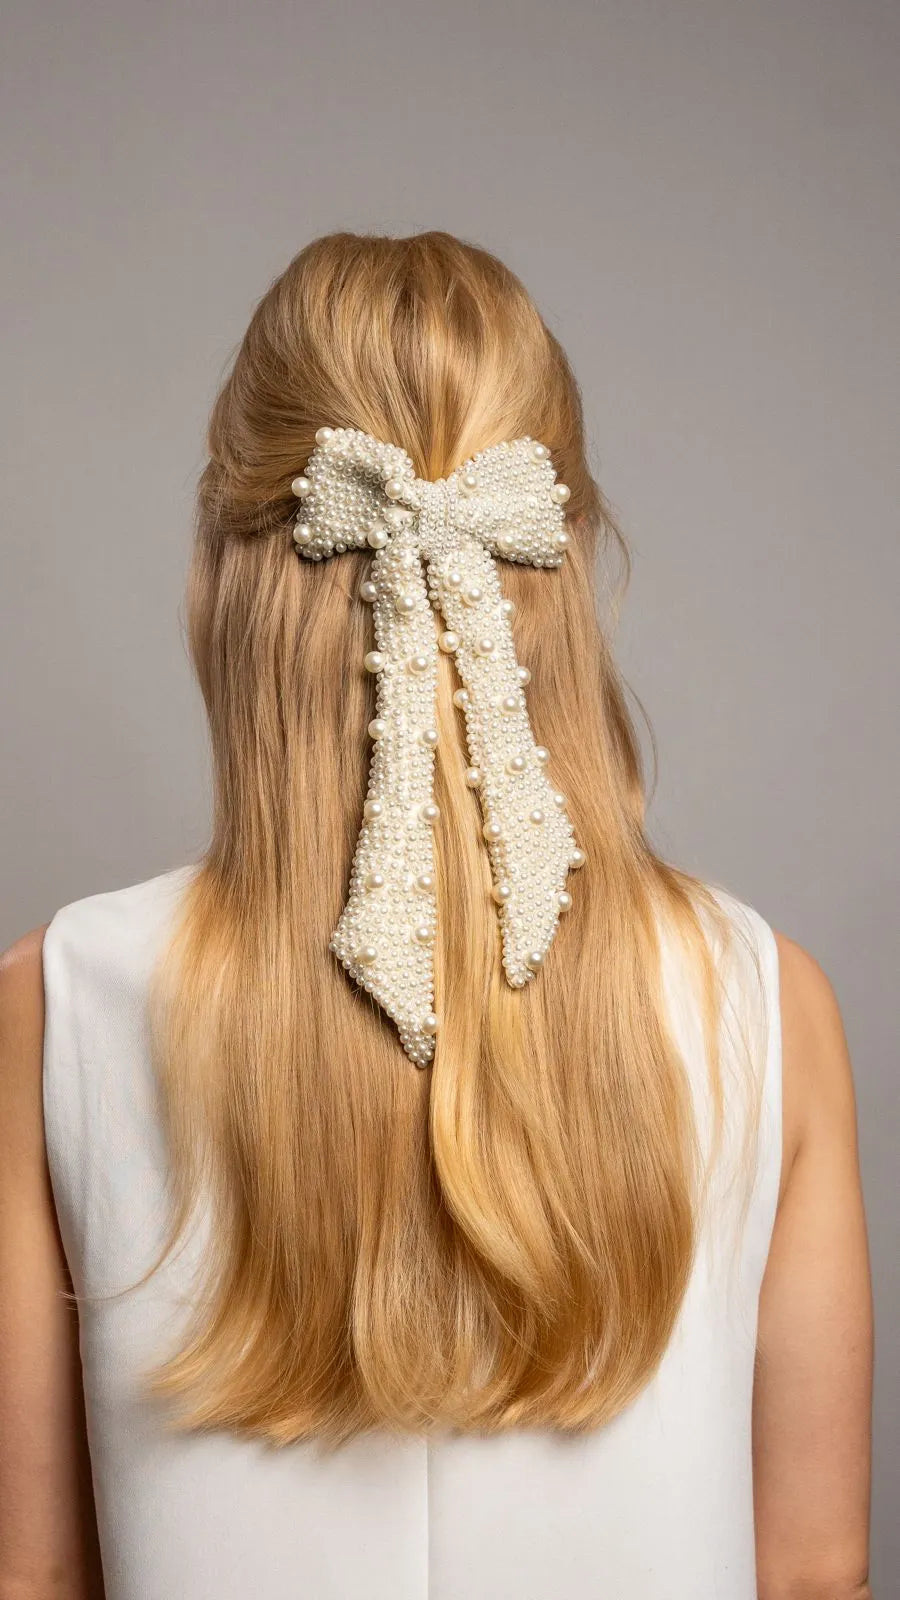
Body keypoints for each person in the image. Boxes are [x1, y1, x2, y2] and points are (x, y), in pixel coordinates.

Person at [0, 231, 873, 1600]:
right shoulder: (764, 999)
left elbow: (32, 1576)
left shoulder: (54, 1006)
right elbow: (814, 1574)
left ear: (230, 578)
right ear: (559, 557)